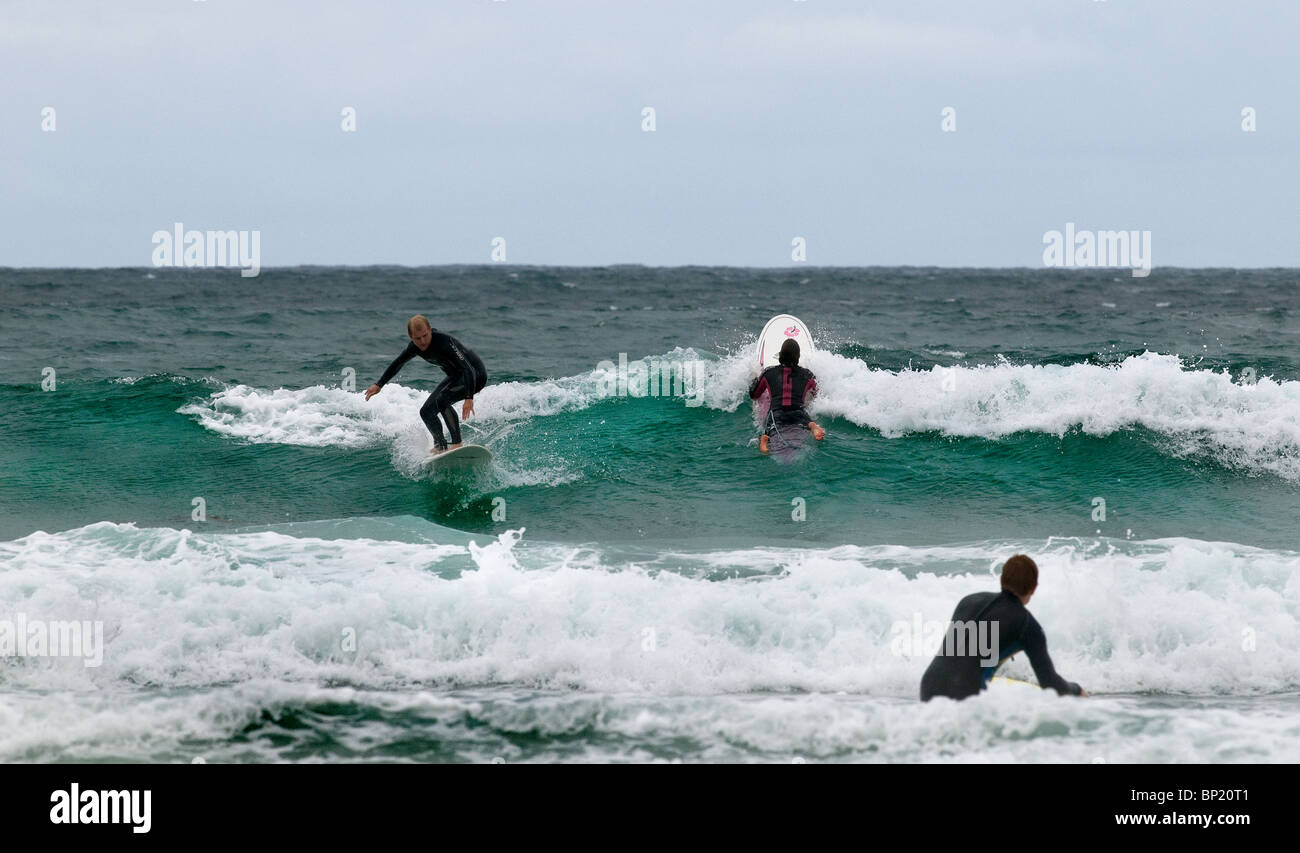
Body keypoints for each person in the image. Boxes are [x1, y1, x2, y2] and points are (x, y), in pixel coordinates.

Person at [919, 554, 1087, 701]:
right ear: (1034, 588)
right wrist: (1076, 689)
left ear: (1002, 579)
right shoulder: (1027, 625)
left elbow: (965, 657)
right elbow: (1051, 685)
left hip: (929, 686)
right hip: (965, 695)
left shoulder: (968, 601)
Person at [364, 315, 487, 454]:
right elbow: (398, 363)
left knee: (442, 400)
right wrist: (379, 384)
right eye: (417, 338)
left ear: (429, 330)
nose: (422, 341)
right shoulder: (414, 347)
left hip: (475, 375)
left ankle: (457, 443)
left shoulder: (444, 342)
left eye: (425, 335)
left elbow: (468, 368)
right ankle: (441, 447)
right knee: (426, 412)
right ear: (411, 337)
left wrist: (468, 397)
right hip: (456, 377)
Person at [748, 338, 825, 453]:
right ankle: (812, 426)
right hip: (798, 412)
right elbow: (817, 392)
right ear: (798, 357)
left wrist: (755, 378)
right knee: (805, 421)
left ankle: (765, 440)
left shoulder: (769, 373)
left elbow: (754, 394)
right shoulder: (807, 375)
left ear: (780, 355)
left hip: (777, 413)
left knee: (770, 428)